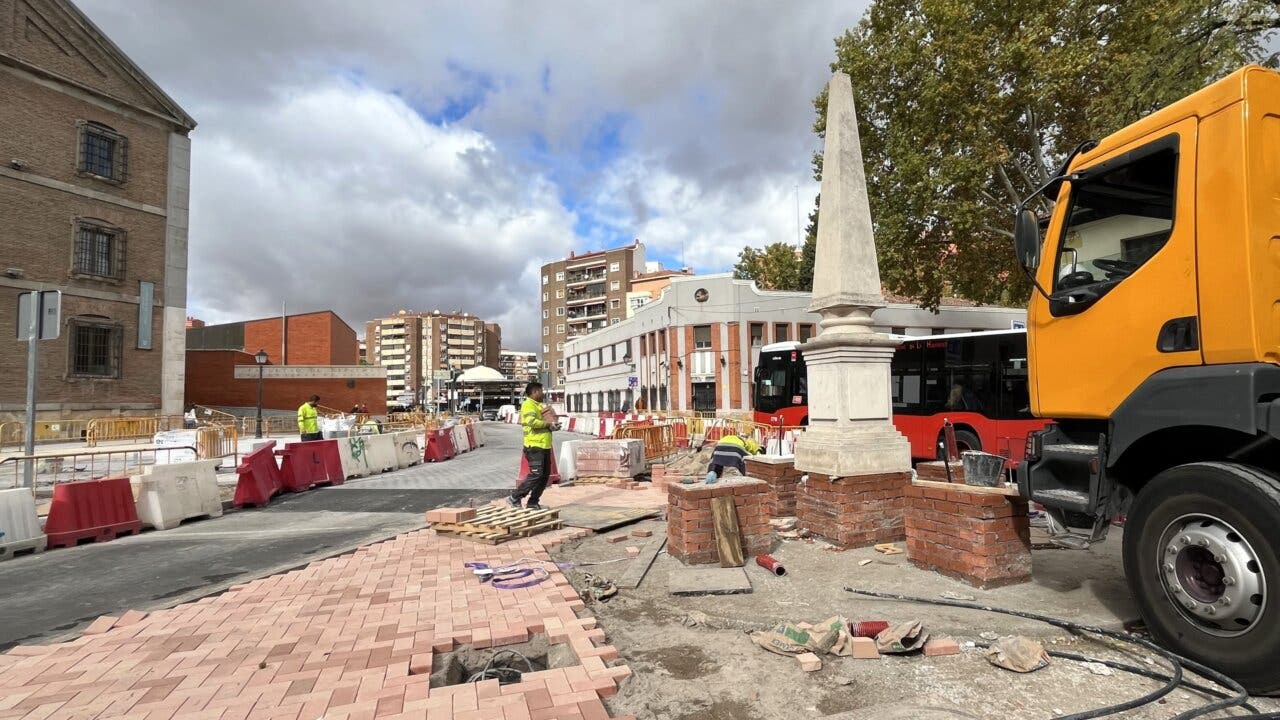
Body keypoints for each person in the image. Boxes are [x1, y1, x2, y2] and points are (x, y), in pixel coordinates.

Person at [509, 381, 559, 510]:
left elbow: (542, 422)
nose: (543, 394)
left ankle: (533, 502)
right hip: (534, 446)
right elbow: (530, 422)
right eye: (541, 391)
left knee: (544, 476)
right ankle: (515, 497)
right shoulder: (528, 405)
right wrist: (548, 424)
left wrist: (552, 426)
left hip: (544, 445)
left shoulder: (538, 406)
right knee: (536, 474)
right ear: (535, 391)